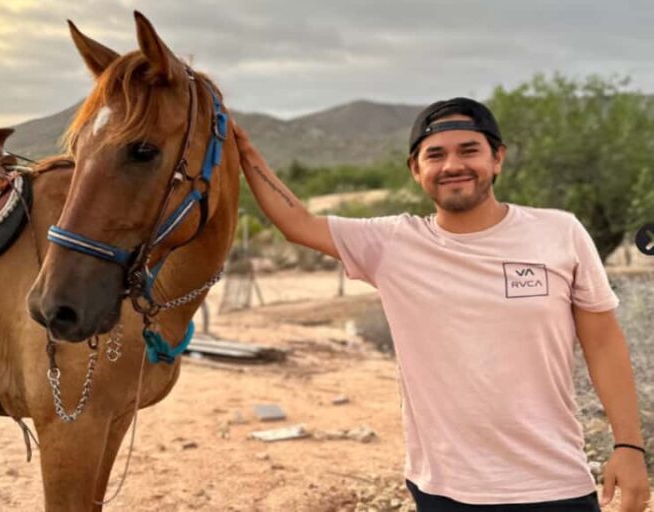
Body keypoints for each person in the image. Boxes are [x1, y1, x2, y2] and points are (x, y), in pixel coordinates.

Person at [233, 97, 650, 512]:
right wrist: (243, 152)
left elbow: (603, 344)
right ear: (417, 170)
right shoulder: (391, 244)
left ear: (498, 158)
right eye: (436, 155)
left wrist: (629, 446)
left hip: (555, 483)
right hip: (444, 489)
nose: (453, 165)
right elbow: (297, 223)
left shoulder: (559, 232)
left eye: (469, 150)